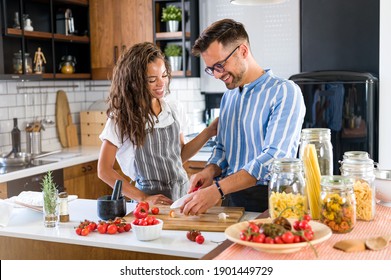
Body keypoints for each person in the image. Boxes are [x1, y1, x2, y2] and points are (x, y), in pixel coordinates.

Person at [180, 19, 306, 215]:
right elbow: (222, 150)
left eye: (220, 65)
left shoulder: (284, 92)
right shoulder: (229, 96)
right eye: (211, 68)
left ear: (243, 51)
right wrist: (209, 172)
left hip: (272, 201)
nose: (216, 75)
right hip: (233, 199)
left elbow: (274, 158)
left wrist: (219, 188)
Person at [97, 42, 218, 206]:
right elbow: (104, 170)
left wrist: (209, 131)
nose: (161, 83)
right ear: (135, 81)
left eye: (164, 75)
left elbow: (179, 155)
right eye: (152, 79)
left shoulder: (173, 109)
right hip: (149, 203)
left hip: (182, 197)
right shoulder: (122, 118)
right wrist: (143, 198)